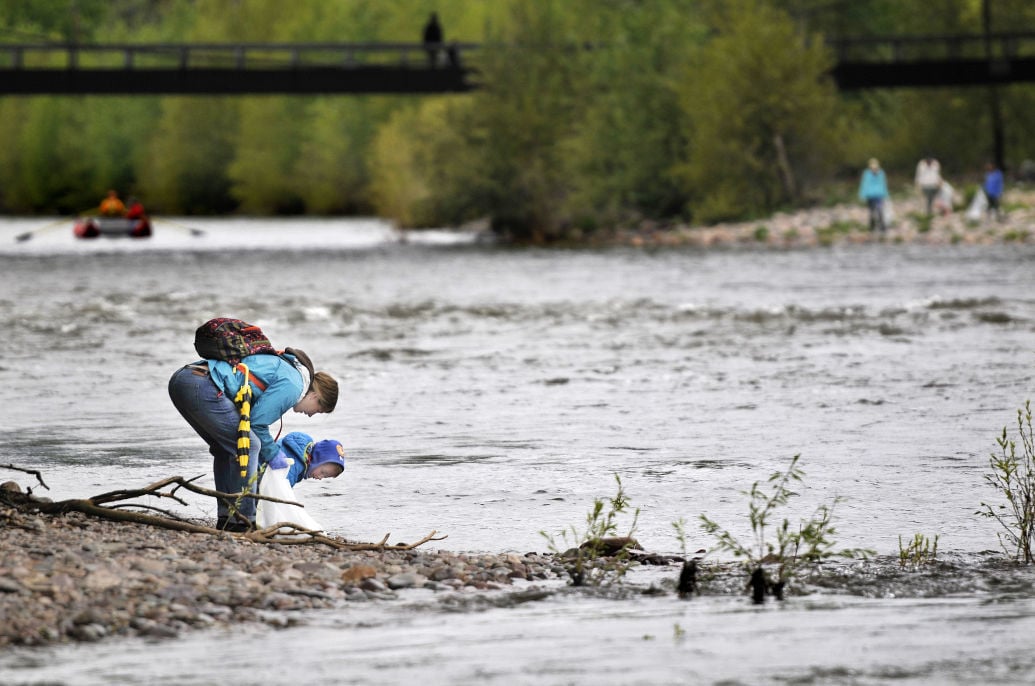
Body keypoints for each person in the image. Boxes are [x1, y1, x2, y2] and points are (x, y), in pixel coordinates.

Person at [168, 348, 339, 532]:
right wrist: (273, 453)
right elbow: (256, 423)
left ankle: (228, 518)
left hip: (186, 378)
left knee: (225, 449)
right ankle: (244, 521)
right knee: (251, 445)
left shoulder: (291, 373)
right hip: (202, 384)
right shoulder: (295, 385)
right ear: (315, 396)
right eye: (318, 410)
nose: (312, 415)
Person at [859, 158, 889, 233]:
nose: (874, 168)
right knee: (871, 211)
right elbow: (864, 184)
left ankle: (882, 226)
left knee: (880, 210)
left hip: (879, 195)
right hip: (870, 196)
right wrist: (862, 194)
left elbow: (884, 184)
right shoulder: (867, 174)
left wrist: (886, 194)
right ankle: (871, 226)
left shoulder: (881, 173)